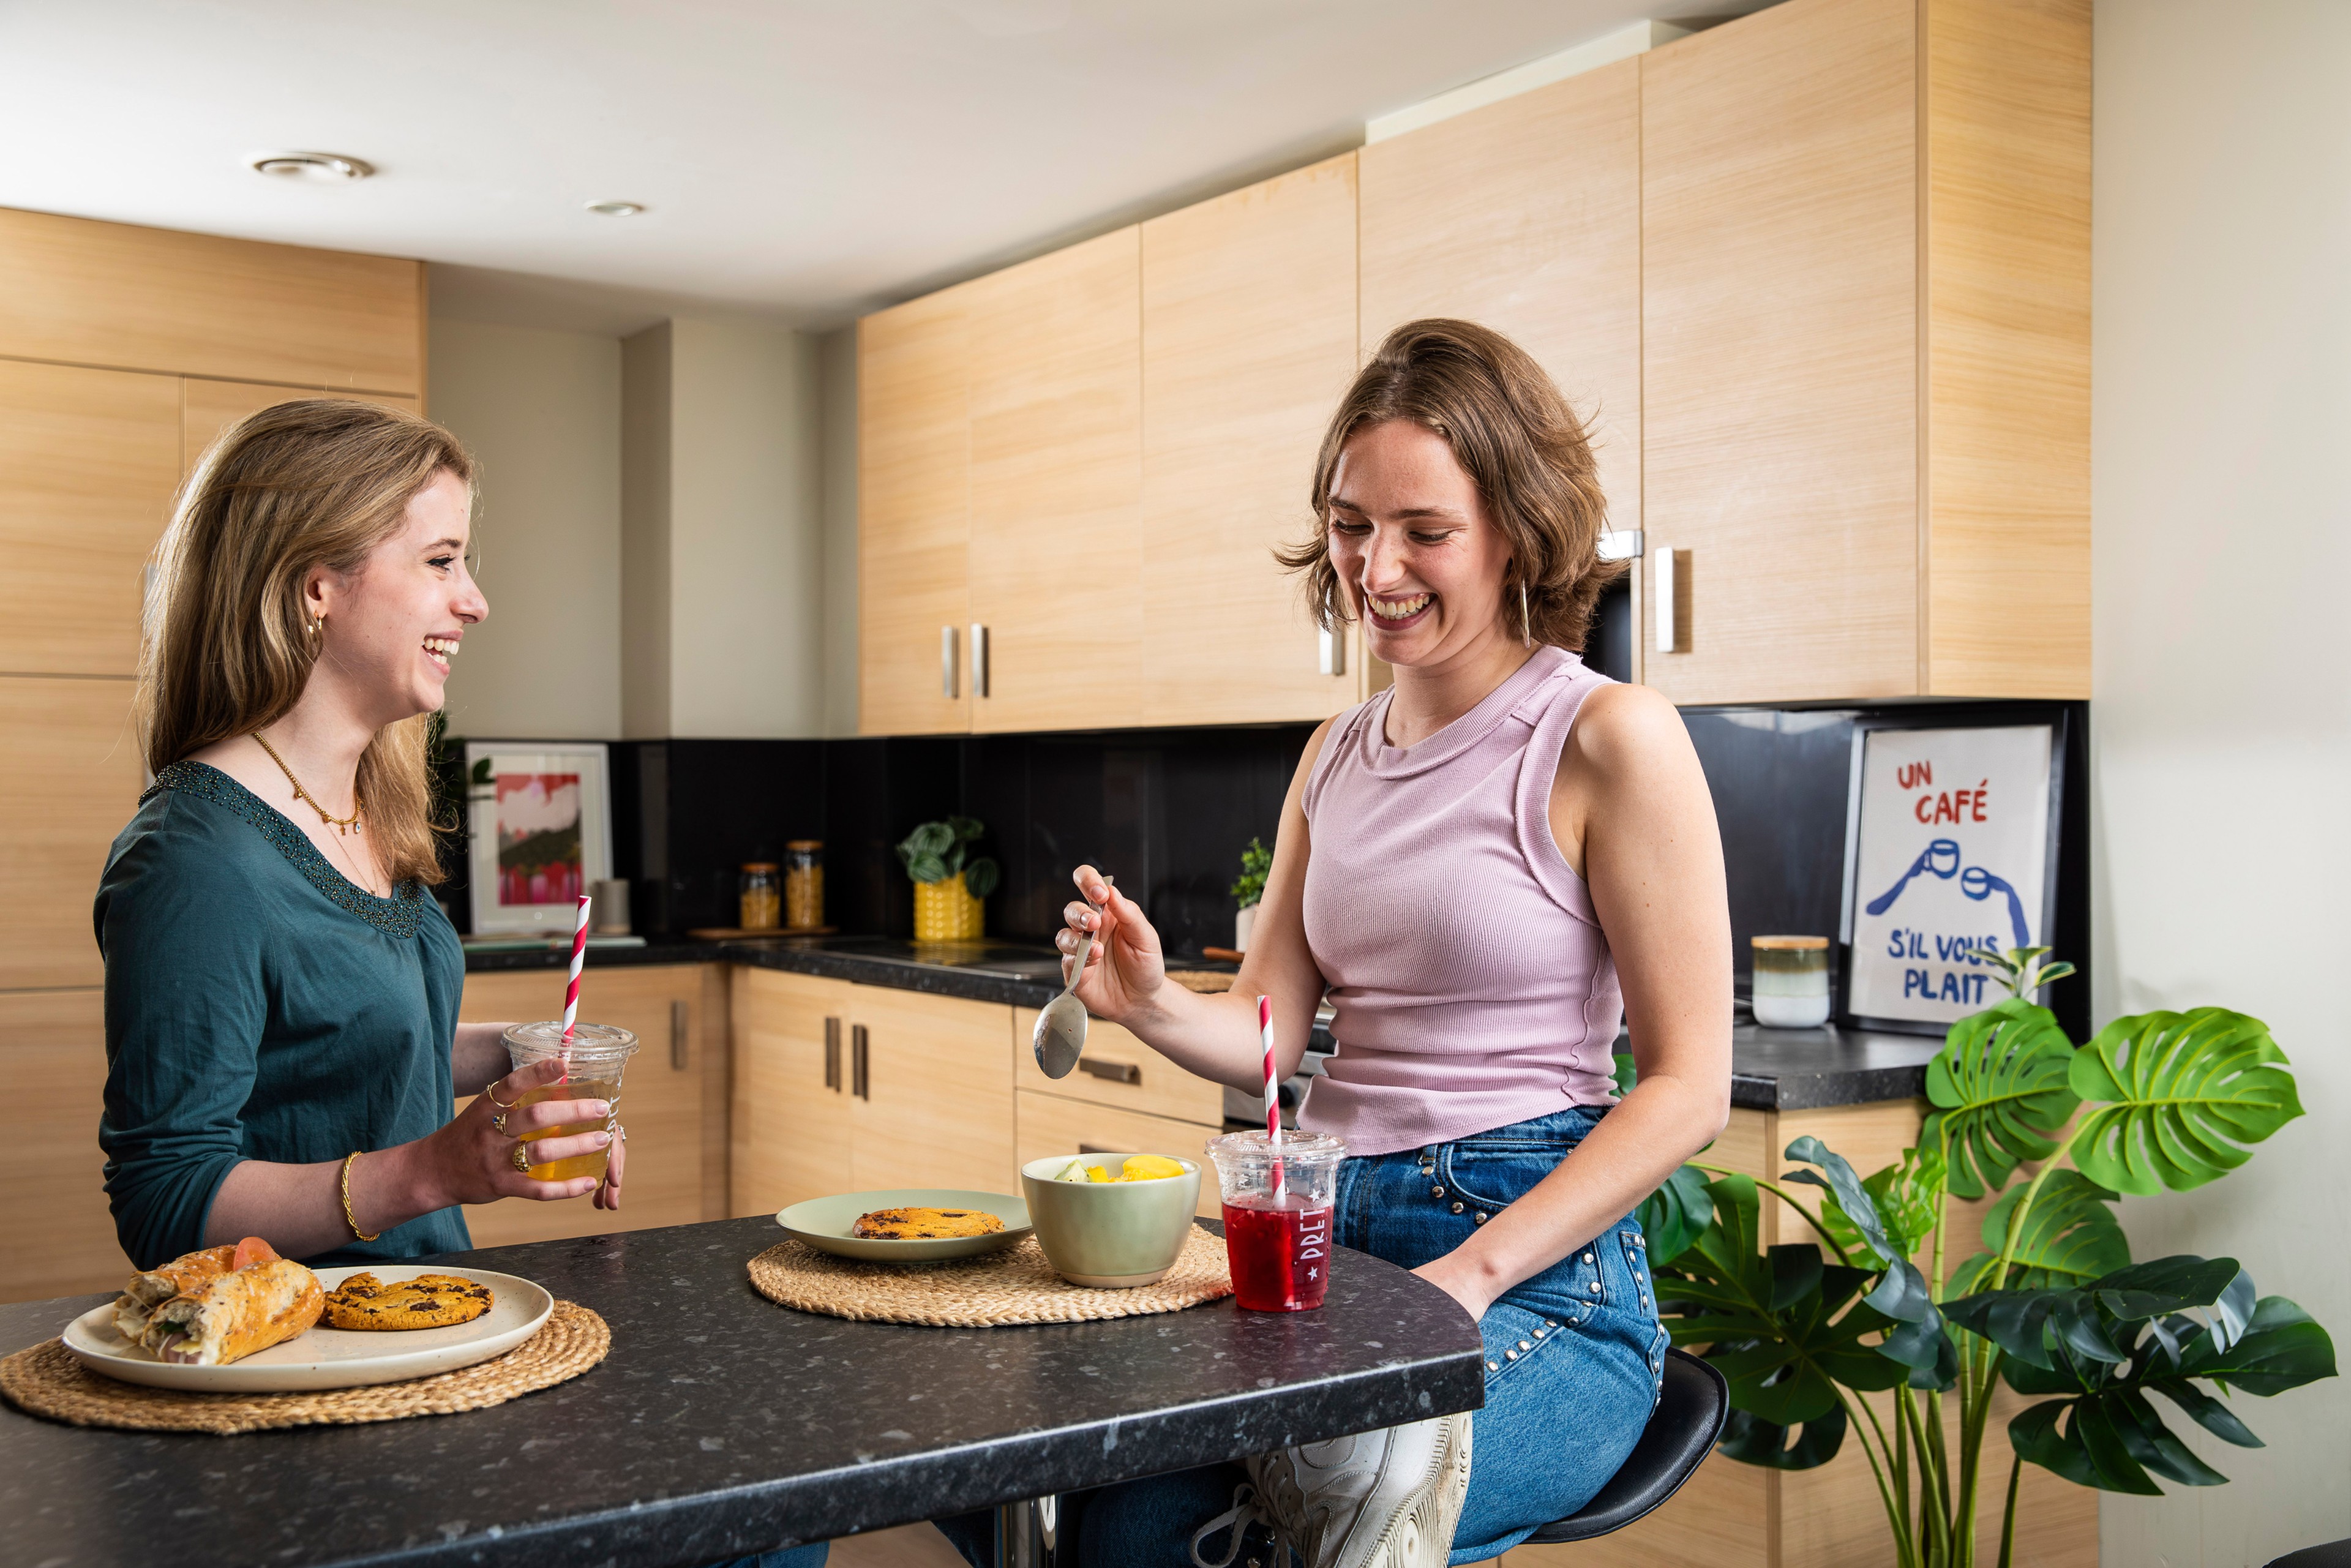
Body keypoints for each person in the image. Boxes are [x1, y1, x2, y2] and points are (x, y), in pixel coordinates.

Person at [967, 320, 1734, 1568]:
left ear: (1515, 531)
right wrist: (1152, 1000)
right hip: (1330, 1249)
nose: (1376, 568)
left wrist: (1471, 1280)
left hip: (1535, 1276)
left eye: (1423, 530)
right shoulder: (1334, 755)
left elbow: (1690, 1088)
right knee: (1109, 1534)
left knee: (1351, 1505)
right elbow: (1270, 1029)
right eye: (1350, 524)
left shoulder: (1604, 737)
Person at [99, 398, 828, 1568]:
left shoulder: (364, 808)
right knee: (760, 1535)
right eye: (441, 561)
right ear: (313, 588)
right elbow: (167, 1195)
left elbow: (350, 1040)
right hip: (313, 1387)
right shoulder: (196, 855)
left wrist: (513, 1058)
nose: (474, 600)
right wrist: (444, 1164)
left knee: (778, 1512)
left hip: (434, 1327)